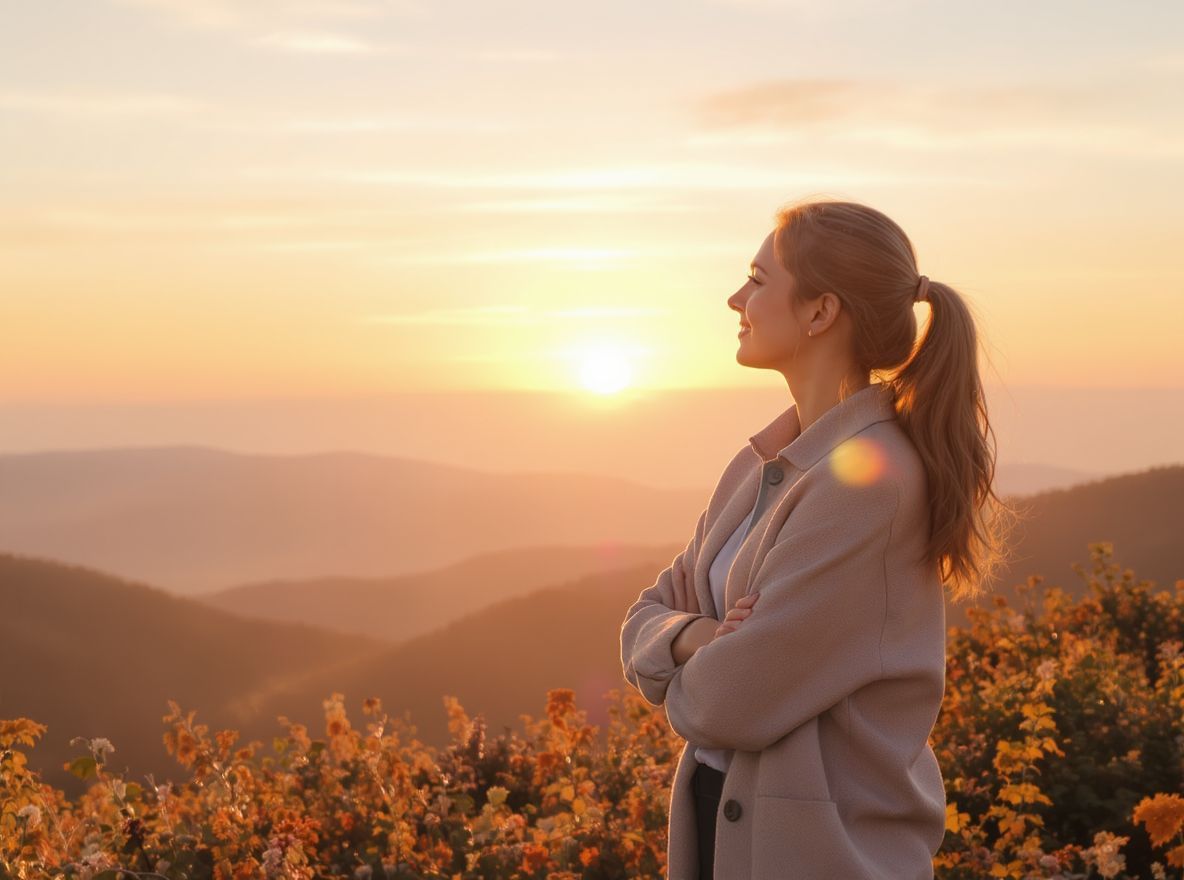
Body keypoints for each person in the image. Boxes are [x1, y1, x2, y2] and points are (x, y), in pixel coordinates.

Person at [619, 198, 1021, 879]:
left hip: (825, 856)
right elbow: (642, 617)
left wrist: (682, 668)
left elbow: (730, 703)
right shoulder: (758, 466)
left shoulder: (870, 487)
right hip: (726, 838)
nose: (734, 297)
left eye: (757, 277)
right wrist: (698, 638)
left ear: (819, 311)